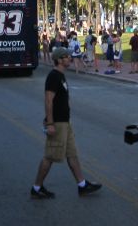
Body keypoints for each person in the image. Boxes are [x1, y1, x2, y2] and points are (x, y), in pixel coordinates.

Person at [31, 47, 101, 199]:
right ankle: (36, 188)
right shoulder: (54, 76)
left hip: (65, 122)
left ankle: (82, 185)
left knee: (72, 154)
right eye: (67, 57)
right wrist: (50, 123)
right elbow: (48, 100)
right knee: (50, 156)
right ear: (59, 60)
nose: (70, 58)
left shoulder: (61, 75)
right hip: (57, 123)